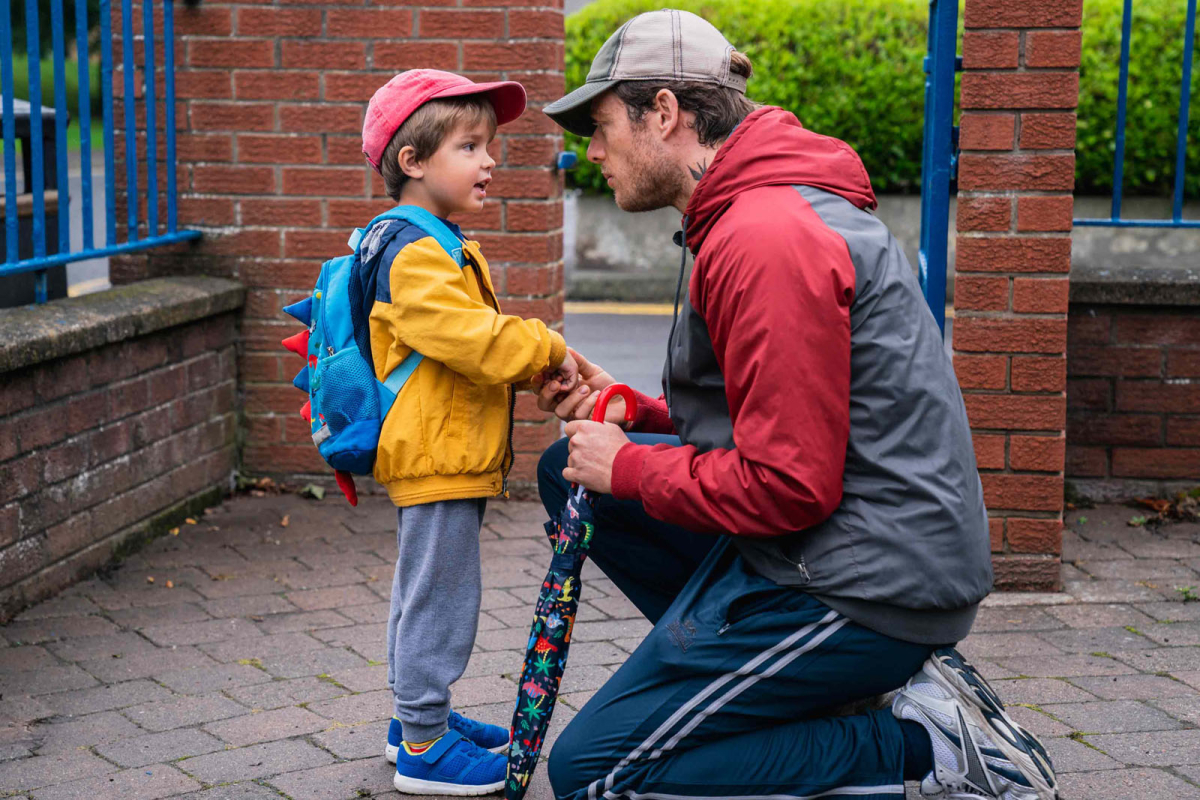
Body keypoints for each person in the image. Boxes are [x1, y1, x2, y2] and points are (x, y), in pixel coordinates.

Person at [534, 10, 1059, 800]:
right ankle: (809, 692)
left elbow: (788, 484)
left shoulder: (766, 235)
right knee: (565, 471)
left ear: (667, 113)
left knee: (595, 774)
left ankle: (920, 748)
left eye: (602, 125)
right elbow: (781, 418)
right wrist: (635, 415)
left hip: (865, 586)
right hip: (839, 546)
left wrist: (635, 469)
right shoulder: (747, 211)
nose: (591, 151)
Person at [358, 69, 579, 794]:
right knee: (441, 596)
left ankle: (414, 723)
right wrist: (545, 349)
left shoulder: (433, 241)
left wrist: (531, 373)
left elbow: (463, 353)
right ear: (413, 161)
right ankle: (423, 746)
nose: (490, 161)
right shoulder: (415, 253)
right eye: (470, 145)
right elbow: (474, 339)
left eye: (490, 146)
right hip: (437, 452)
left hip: (444, 446)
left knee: (422, 587)